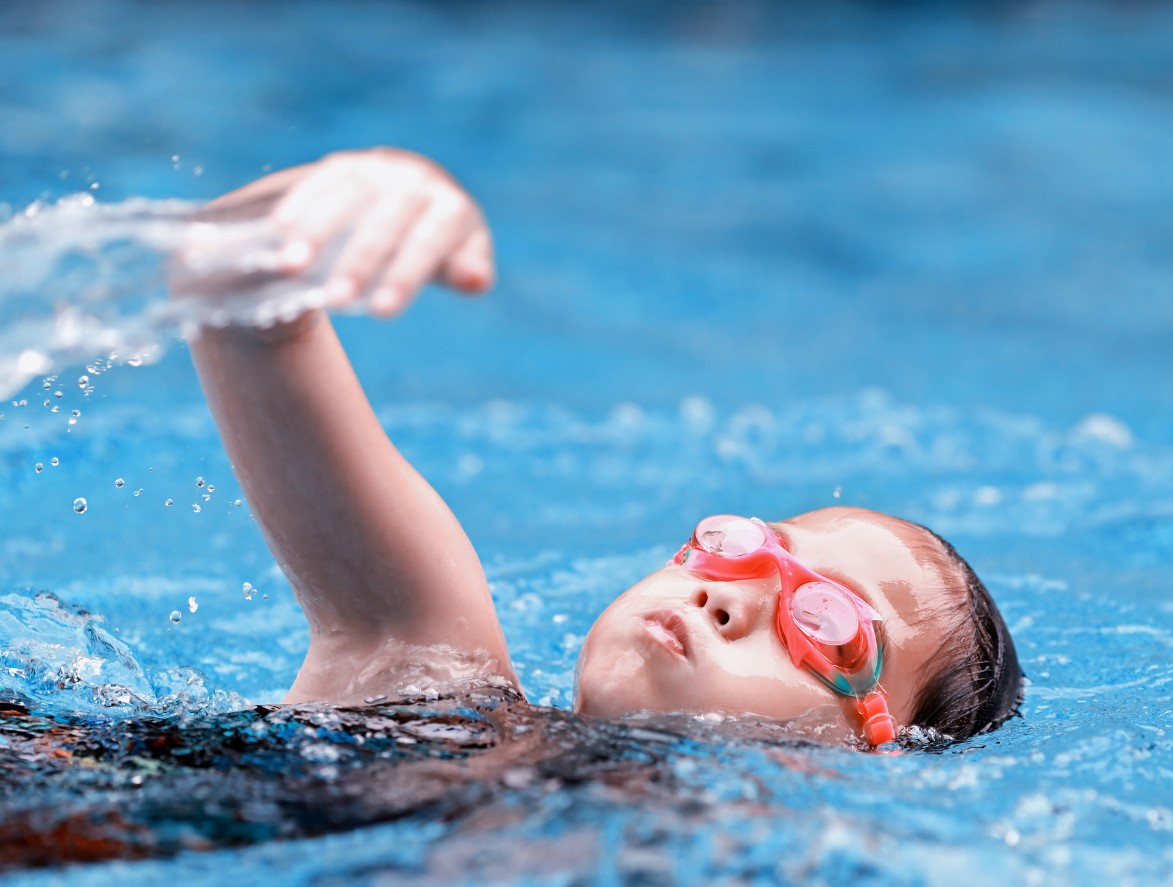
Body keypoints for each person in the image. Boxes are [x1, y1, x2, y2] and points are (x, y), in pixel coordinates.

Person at [185, 148, 1022, 750]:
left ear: (870, 753)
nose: (728, 605)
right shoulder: (421, 665)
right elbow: (235, 298)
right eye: (747, 552)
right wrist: (364, 192)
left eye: (825, 626)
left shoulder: (741, 882)